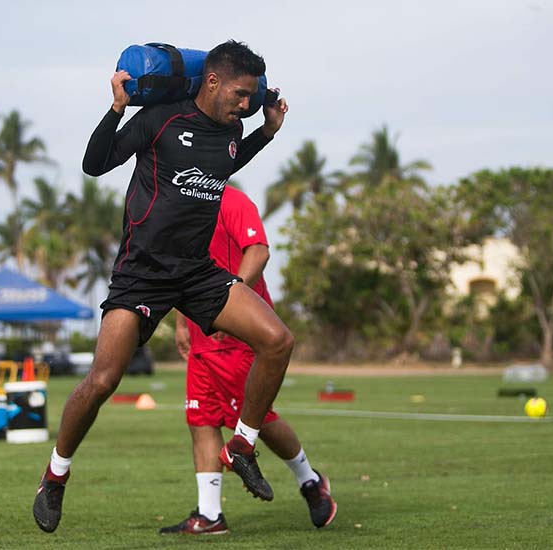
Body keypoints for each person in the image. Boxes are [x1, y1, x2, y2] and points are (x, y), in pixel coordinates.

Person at [33, 40, 292, 533]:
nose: (246, 104)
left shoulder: (233, 130)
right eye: (239, 94)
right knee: (103, 380)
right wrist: (115, 109)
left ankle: (241, 445)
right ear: (211, 82)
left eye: (251, 96)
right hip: (142, 272)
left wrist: (266, 132)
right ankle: (55, 475)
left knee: (278, 341)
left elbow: (223, 165)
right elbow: (95, 164)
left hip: (197, 272)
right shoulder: (161, 120)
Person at [159, 185, 336, 535]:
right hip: (201, 335)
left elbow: (258, 252)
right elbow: (183, 270)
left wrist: (229, 306)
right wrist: (180, 322)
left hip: (240, 333)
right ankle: (209, 515)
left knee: (258, 418)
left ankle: (311, 482)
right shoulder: (180, 208)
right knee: (201, 419)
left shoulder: (232, 200)